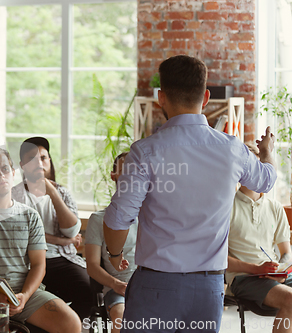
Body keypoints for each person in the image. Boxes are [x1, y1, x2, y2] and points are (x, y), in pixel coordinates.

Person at [103, 55, 278, 332]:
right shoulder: (232, 149)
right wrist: (268, 153)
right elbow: (266, 181)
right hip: (207, 289)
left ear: (161, 97)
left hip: (155, 285)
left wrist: (114, 255)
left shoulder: (144, 151)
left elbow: (117, 219)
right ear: (206, 97)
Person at [0, 147, 81, 333]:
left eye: (4, 169)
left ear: (13, 173)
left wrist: (25, 296)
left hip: (25, 293)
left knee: (72, 323)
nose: (0, 175)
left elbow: (38, 266)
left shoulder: (30, 215)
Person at [11, 137, 92, 320]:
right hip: (28, 261)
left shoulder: (62, 192)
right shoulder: (14, 195)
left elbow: (72, 231)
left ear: (49, 162)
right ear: (23, 165)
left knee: (88, 291)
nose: (39, 162)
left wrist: (53, 193)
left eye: (43, 157)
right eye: (32, 158)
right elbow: (24, 234)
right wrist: (64, 241)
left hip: (60, 259)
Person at [226, 144, 292, 333]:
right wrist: (257, 269)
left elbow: (286, 253)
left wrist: (280, 268)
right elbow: (217, 258)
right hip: (244, 279)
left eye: (260, 167)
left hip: (275, 276)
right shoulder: (227, 207)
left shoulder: (275, 207)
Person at [85, 153, 137, 333]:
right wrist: (116, 284)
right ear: (113, 175)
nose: (131, 175)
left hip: (150, 287)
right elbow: (92, 266)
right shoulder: (98, 219)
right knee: (121, 321)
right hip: (117, 291)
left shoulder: (151, 218)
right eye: (125, 171)